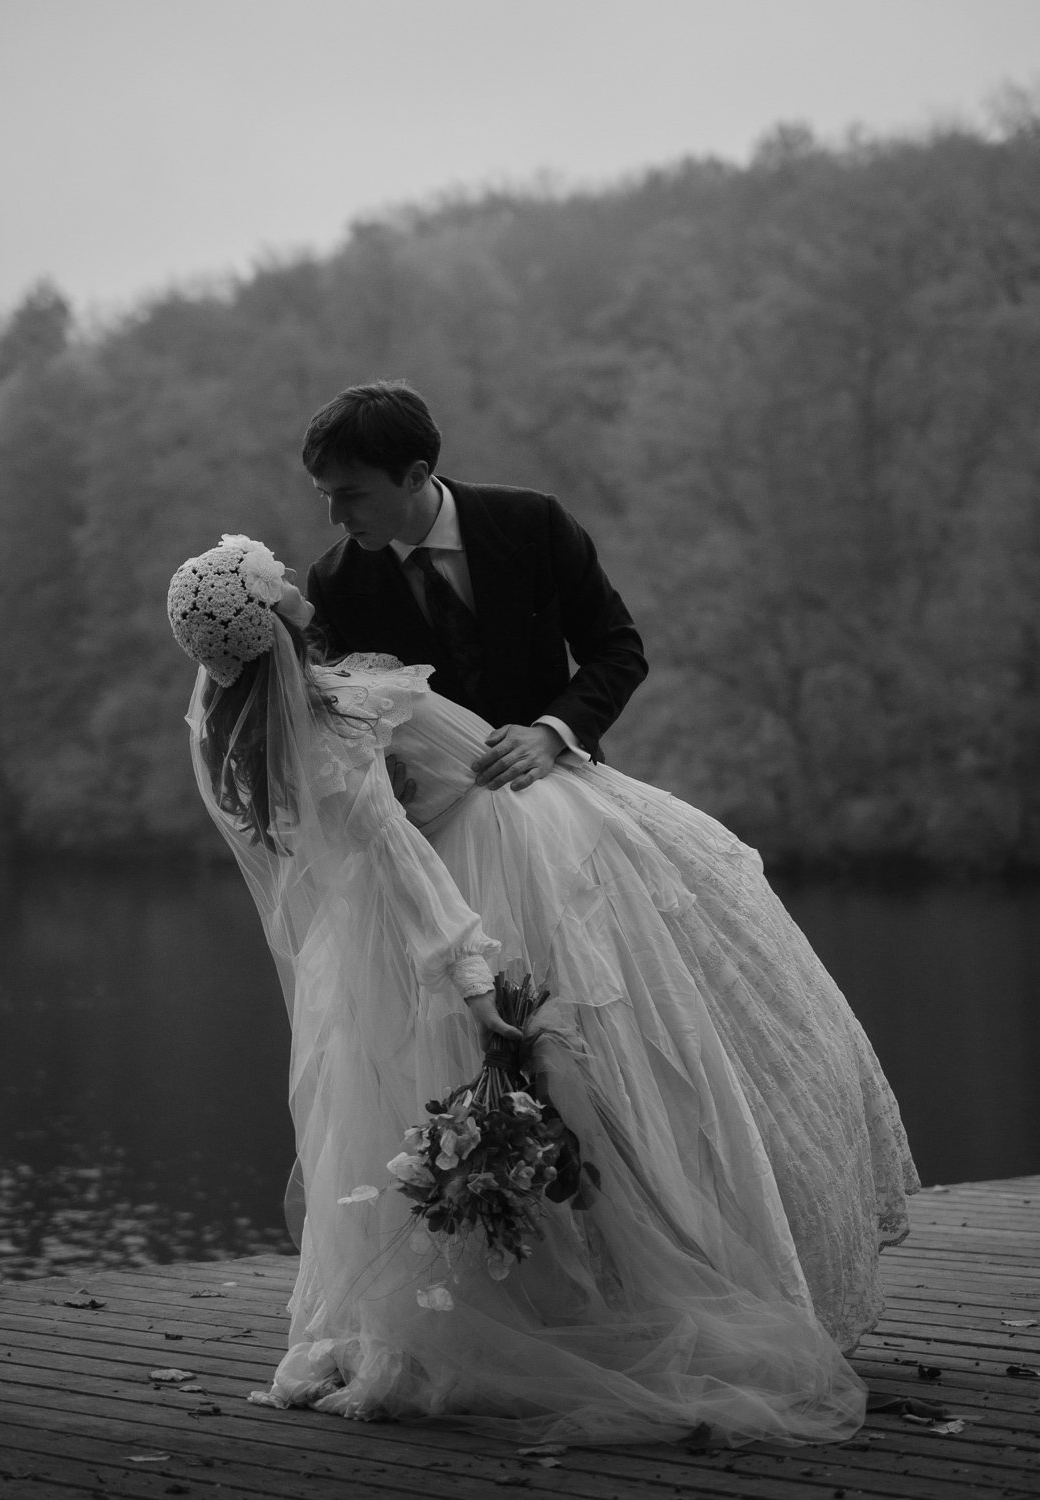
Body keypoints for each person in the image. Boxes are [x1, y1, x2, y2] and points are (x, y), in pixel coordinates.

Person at [167, 535, 919, 1448]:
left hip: (534, 838)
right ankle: (551, 1310)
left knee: (606, 1076)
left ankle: (557, 1295)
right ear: (273, 619)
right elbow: (401, 862)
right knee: (560, 1090)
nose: (297, 580)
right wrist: (474, 979)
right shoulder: (338, 728)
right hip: (490, 878)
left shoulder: (315, 706)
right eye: (278, 582)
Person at [301, 380, 648, 792]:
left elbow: (617, 650)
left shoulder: (534, 522)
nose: (335, 516)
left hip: (567, 790)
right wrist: (371, 776)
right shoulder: (332, 582)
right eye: (324, 494)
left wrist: (552, 734)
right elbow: (338, 725)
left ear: (415, 476)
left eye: (351, 495)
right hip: (439, 823)